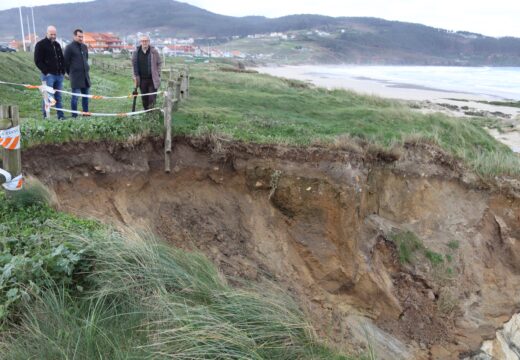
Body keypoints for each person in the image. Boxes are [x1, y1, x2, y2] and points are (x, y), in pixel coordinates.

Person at [34, 25, 66, 119]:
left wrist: (63, 71)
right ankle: (46, 117)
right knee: (48, 97)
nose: (53, 36)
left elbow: (62, 59)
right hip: (48, 76)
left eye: (54, 34)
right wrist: (46, 71)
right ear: (47, 33)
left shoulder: (57, 45)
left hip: (59, 75)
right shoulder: (40, 45)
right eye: (51, 34)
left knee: (58, 97)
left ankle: (61, 116)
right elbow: (38, 60)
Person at [64, 29, 91, 117]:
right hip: (75, 77)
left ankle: (86, 113)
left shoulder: (84, 47)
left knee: (86, 97)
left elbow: (86, 59)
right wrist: (70, 73)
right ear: (74, 36)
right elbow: (66, 62)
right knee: (75, 97)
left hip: (85, 77)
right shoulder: (69, 48)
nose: (81, 38)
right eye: (79, 36)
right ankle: (74, 115)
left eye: (82, 37)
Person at [132, 35, 162, 110]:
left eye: (146, 41)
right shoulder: (136, 52)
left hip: (152, 79)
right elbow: (133, 64)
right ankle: (146, 112)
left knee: (152, 98)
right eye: (143, 41)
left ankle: (151, 114)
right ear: (140, 42)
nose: (144, 42)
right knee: (144, 98)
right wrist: (134, 76)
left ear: (149, 42)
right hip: (142, 80)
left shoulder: (154, 51)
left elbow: (159, 63)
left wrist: (157, 73)